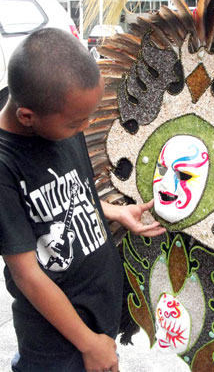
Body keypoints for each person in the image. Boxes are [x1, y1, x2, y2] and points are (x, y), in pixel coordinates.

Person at [0, 27, 165, 372]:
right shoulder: (5, 166)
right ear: (27, 117)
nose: (85, 127)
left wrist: (116, 212)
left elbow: (70, 195)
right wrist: (88, 344)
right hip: (56, 344)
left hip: (94, 327)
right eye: (78, 122)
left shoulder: (59, 123)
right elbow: (27, 274)